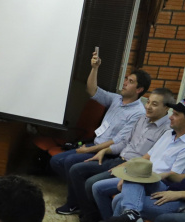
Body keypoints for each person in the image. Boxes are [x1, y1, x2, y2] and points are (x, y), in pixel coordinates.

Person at [53, 51, 149, 213]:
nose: (125, 83)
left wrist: (87, 150)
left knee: (70, 162)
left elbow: (117, 141)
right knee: (56, 161)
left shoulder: (137, 113)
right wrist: (95, 68)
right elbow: (92, 90)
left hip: (108, 153)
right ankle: (80, 195)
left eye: (130, 81)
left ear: (139, 89)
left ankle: (75, 202)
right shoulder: (116, 99)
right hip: (95, 143)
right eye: (126, 79)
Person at [64, 88, 172, 222]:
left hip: (132, 168)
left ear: (166, 108)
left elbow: (150, 159)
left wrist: (124, 166)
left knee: (92, 183)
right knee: (76, 170)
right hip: (117, 158)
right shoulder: (142, 119)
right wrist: (105, 150)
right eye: (148, 102)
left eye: (154, 104)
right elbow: (123, 143)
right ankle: (93, 215)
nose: (148, 107)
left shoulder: (167, 131)